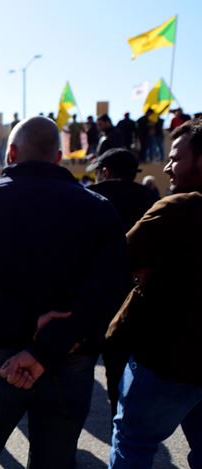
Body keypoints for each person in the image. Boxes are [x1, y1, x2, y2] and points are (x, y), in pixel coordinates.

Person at [0, 116, 128, 469]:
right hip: (70, 356)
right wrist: (46, 347)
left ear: (11, 152)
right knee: (54, 463)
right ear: (58, 157)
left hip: (1, 358)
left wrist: (27, 326)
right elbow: (109, 289)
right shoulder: (98, 209)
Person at [107, 119, 202, 469]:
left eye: (175, 157)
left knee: (132, 441)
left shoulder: (180, 208)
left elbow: (117, 259)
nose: (166, 167)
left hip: (167, 359)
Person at [86, 148, 158, 417]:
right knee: (132, 370)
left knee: (79, 372)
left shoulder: (89, 196)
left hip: (92, 298)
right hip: (139, 297)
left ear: (105, 171)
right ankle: (125, 421)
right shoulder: (152, 199)